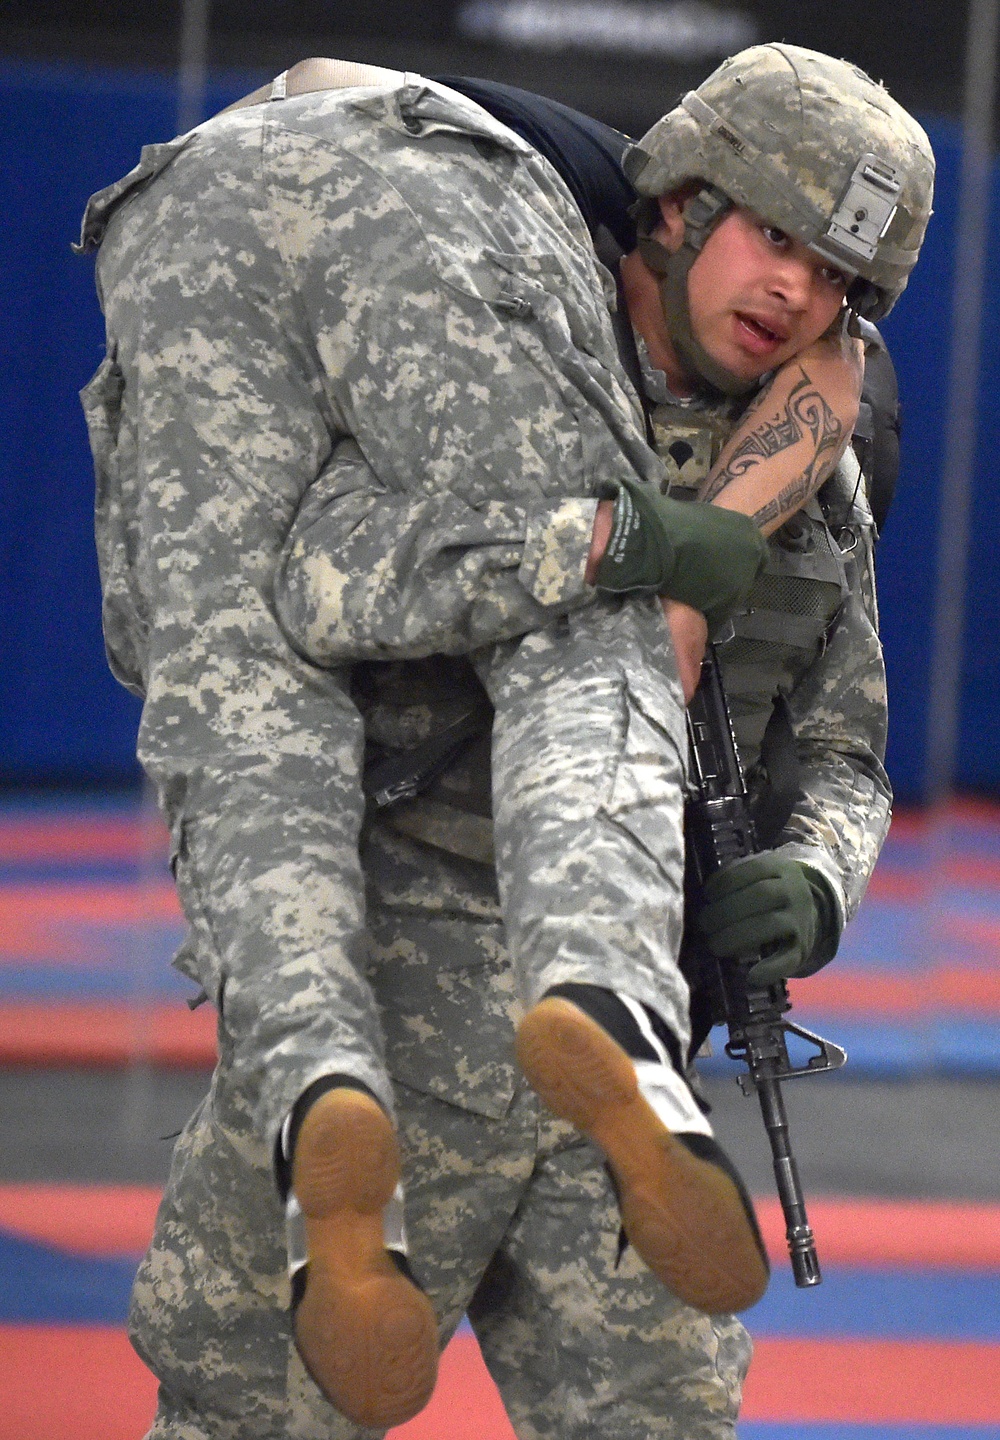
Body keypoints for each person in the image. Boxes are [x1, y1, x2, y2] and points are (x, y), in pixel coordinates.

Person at [76, 46, 932, 1440]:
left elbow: (846, 749)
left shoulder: (816, 474)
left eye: (837, 282)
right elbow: (320, 581)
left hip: (631, 1041)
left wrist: (819, 879)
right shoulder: (483, 337)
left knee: (663, 1419)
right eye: (775, 238)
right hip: (405, 973)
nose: (796, 295)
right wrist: (606, 550)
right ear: (678, 208)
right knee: (261, 1411)